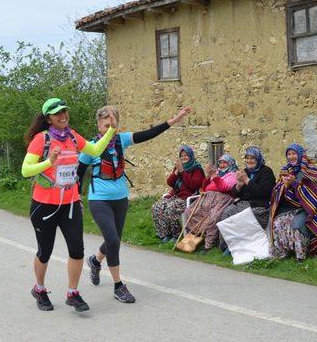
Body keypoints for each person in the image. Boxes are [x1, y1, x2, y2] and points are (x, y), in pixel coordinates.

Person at [79, 105, 191, 303]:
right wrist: (76, 198)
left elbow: (147, 134)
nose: (108, 129)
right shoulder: (91, 147)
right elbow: (78, 174)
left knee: (113, 239)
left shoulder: (121, 140)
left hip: (120, 199)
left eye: (112, 125)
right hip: (99, 200)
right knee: (113, 240)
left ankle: (95, 261)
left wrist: (172, 122)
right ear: (98, 126)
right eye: (105, 125)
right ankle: (118, 286)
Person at [21, 98, 117, 312]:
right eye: (57, 113)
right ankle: (39, 288)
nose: (63, 116)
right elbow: (26, 170)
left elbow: (94, 150)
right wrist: (49, 162)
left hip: (70, 203)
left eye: (64, 112)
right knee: (44, 251)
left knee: (77, 250)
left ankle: (72, 293)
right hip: (44, 205)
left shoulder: (72, 137)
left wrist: (110, 131)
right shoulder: (41, 139)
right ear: (48, 118)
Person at [269, 144, 317, 261]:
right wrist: (285, 185)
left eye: (294, 154)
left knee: (297, 226)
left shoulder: (311, 170)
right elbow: (276, 191)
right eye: (289, 154)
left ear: (300, 155)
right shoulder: (285, 170)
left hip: (308, 209)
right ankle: (283, 253)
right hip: (290, 208)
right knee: (277, 222)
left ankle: (301, 257)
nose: (291, 157)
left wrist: (294, 183)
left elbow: (313, 193)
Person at [218, 146, 276, 251]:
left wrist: (247, 180)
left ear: (258, 159)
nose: (249, 161)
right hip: (244, 204)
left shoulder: (266, 172)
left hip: (260, 206)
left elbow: (262, 192)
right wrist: (239, 185)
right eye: (247, 158)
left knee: (241, 219)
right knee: (227, 212)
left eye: (252, 158)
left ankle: (239, 247)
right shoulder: (245, 171)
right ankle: (226, 245)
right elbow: (235, 194)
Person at [182, 154, 238, 252]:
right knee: (189, 211)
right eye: (220, 162)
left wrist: (215, 176)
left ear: (231, 164)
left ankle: (208, 245)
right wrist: (208, 176)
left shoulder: (233, 175)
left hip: (222, 200)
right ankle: (192, 239)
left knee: (213, 217)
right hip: (207, 198)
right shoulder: (217, 173)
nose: (222, 165)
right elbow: (204, 187)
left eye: (225, 163)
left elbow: (223, 188)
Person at [151, 145, 204, 242]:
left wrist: (183, 172)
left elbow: (193, 185)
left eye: (186, 155)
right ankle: (164, 234)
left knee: (171, 208)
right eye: (182, 156)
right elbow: (170, 183)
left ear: (191, 156)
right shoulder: (178, 167)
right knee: (157, 206)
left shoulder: (197, 169)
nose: (183, 157)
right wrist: (175, 173)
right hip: (175, 195)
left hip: (188, 198)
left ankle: (176, 235)